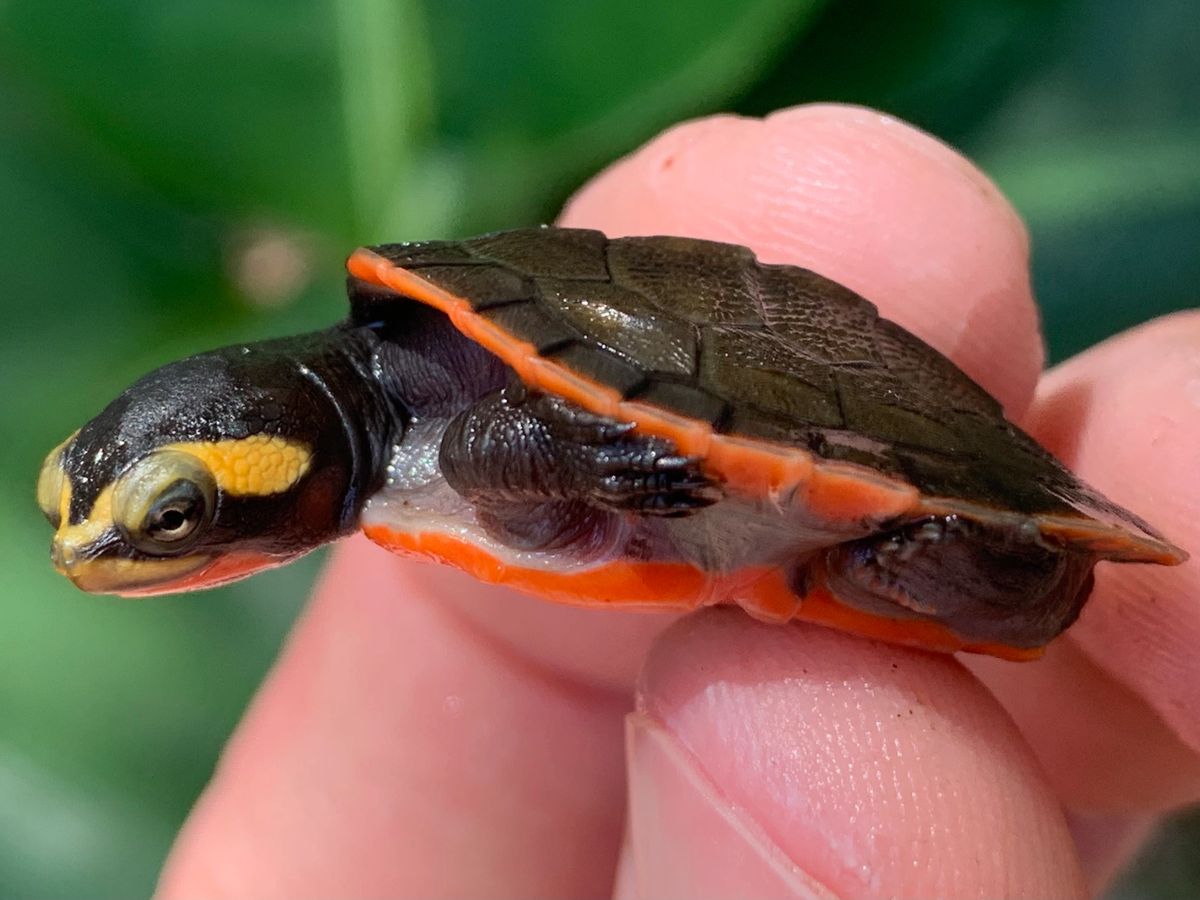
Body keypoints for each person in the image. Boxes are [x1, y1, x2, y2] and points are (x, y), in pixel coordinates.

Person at [155, 104, 1200, 899]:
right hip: (813, 541)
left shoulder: (451, 409)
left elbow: (522, 431)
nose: (113, 552)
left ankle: (993, 552)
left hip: (837, 471)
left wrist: (564, 449)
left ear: (278, 450)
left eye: (172, 517)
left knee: (993, 577)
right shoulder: (408, 469)